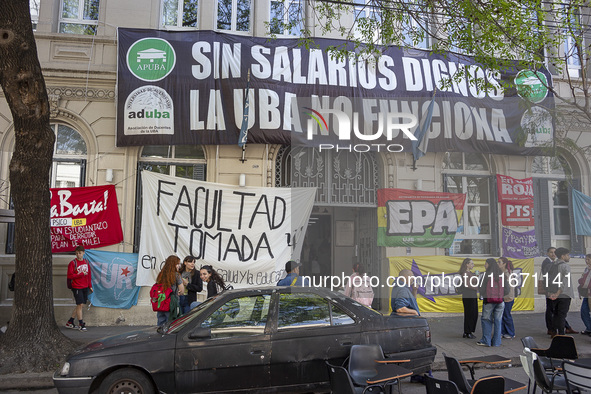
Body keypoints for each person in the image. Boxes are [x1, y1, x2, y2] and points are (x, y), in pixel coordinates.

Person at [541, 247, 576, 335]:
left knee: (556, 313)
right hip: (563, 294)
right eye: (567, 255)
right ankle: (561, 334)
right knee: (561, 315)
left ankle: (554, 332)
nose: (569, 257)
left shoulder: (552, 265)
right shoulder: (565, 266)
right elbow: (565, 281)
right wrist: (558, 292)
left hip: (554, 292)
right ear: (563, 256)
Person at [477, 258, 508, 347]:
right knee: (498, 321)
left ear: (489, 265)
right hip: (500, 301)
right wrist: (500, 295)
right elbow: (507, 289)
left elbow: (481, 288)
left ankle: (486, 341)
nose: (484, 265)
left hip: (488, 301)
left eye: (485, 264)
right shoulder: (501, 274)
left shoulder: (486, 275)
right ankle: (497, 341)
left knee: (486, 320)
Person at [65, 246, 93, 331]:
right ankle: (81, 324)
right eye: (76, 253)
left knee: (80, 305)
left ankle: (70, 321)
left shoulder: (86, 262)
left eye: (80, 253)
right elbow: (70, 276)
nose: (78, 255)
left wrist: (90, 285)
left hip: (85, 286)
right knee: (80, 304)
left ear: (83, 253)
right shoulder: (73, 263)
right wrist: (81, 274)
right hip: (76, 286)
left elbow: (88, 275)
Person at [155, 255, 184, 326]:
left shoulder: (161, 274)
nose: (179, 266)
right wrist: (179, 292)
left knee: (160, 322)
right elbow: (182, 290)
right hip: (172, 303)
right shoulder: (176, 275)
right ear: (173, 264)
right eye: (177, 264)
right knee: (171, 324)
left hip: (161, 301)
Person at [458, 258, 478, 339]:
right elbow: (467, 284)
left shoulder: (469, 273)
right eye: (471, 263)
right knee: (470, 313)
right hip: (469, 295)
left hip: (470, 294)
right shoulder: (465, 273)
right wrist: (476, 288)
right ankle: (468, 331)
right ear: (467, 264)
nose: (473, 265)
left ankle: (467, 331)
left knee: (471, 313)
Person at [498, 257, 516, 339]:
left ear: (504, 264)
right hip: (502, 297)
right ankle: (502, 331)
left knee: (506, 315)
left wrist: (508, 297)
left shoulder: (508, 273)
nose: (498, 264)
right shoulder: (501, 273)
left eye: (499, 262)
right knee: (501, 315)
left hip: (507, 298)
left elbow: (510, 288)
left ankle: (510, 332)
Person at [578, 254, 591, 335]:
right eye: (586, 259)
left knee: (585, 311)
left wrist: (581, 280)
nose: (586, 261)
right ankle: (589, 328)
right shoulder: (587, 269)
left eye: (588, 259)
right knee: (584, 311)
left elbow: (585, 282)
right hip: (587, 294)